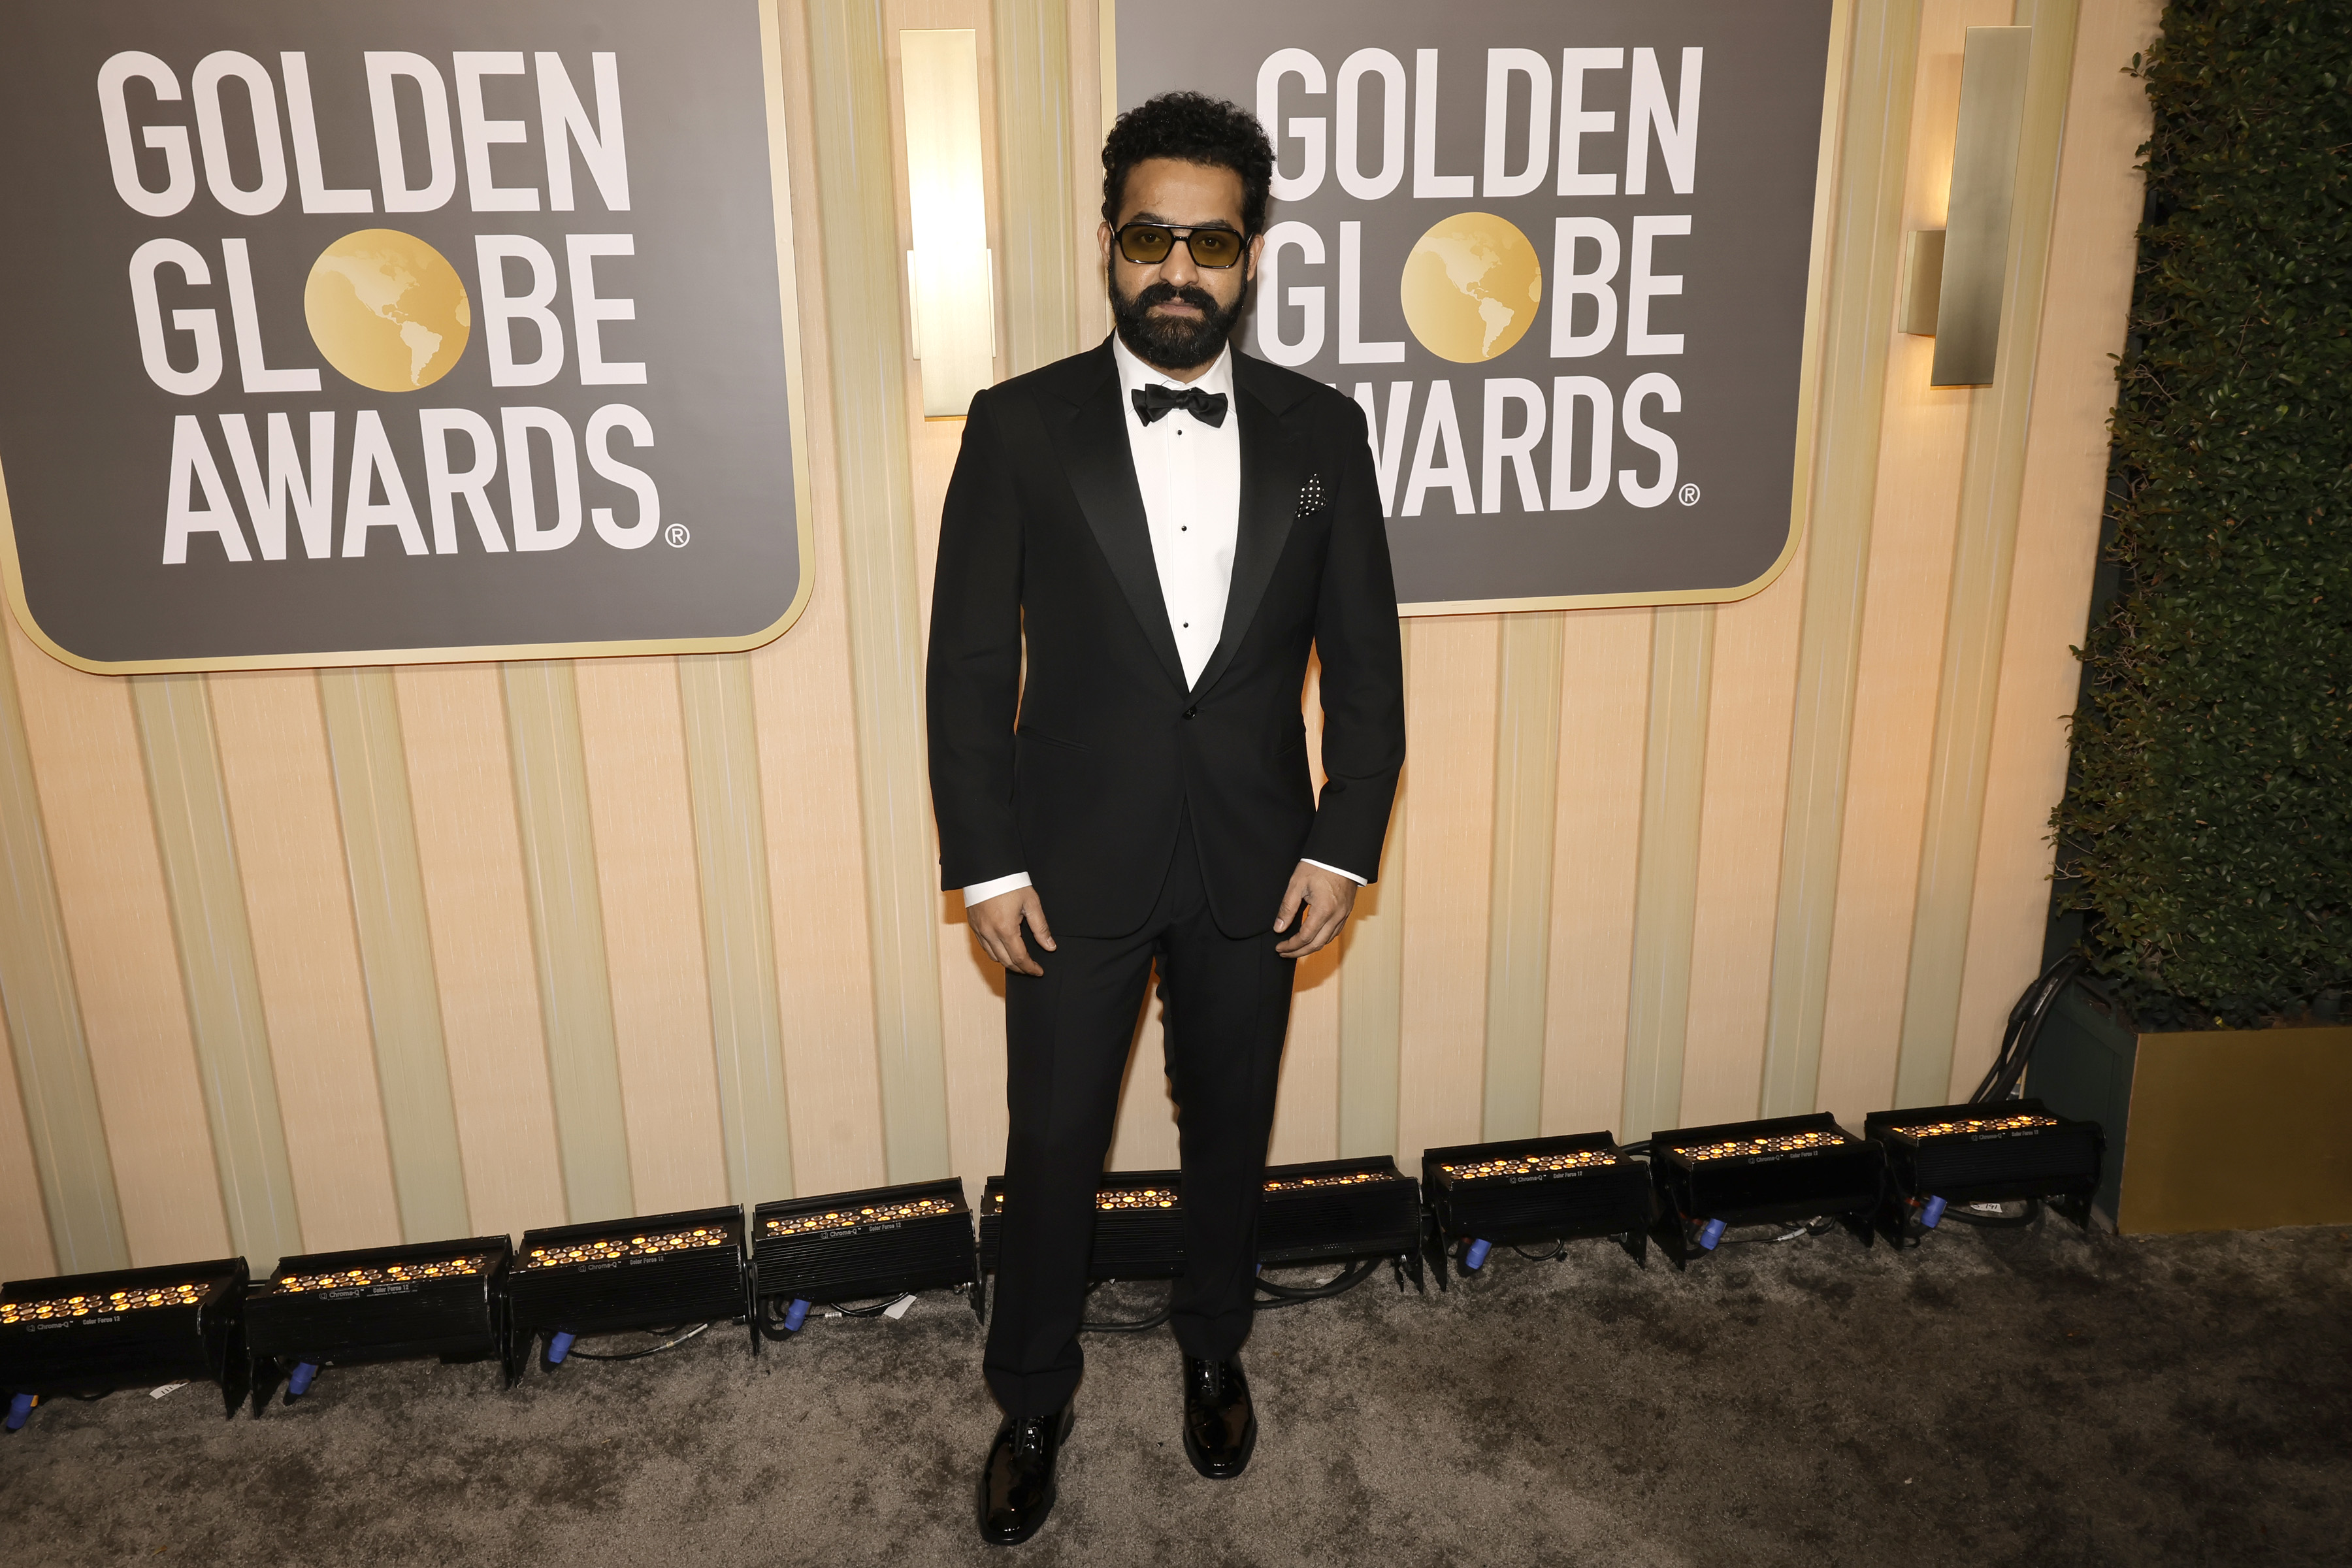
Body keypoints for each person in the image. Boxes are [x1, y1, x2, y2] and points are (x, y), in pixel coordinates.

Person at [926, 90, 1406, 1546]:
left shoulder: (1326, 431)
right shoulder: (1018, 428)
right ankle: (1029, 1399)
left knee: (1231, 1132)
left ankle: (1214, 1349)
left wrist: (1342, 840)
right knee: (1055, 1137)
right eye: (1151, 237)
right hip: (1066, 869)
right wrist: (986, 861)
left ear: (1251, 255)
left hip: (1261, 866)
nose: (1178, 270)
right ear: (1107, 244)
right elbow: (963, 662)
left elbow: (1369, 670)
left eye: (1211, 241)